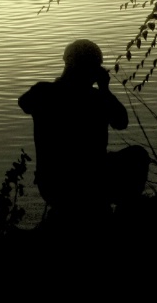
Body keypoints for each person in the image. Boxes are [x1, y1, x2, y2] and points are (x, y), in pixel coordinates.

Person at [19, 39, 148, 226]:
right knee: (138, 156)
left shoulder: (44, 92)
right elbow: (121, 122)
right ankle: (122, 215)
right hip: (90, 181)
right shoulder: (95, 99)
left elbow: (24, 103)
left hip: (53, 185)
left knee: (135, 155)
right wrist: (104, 89)